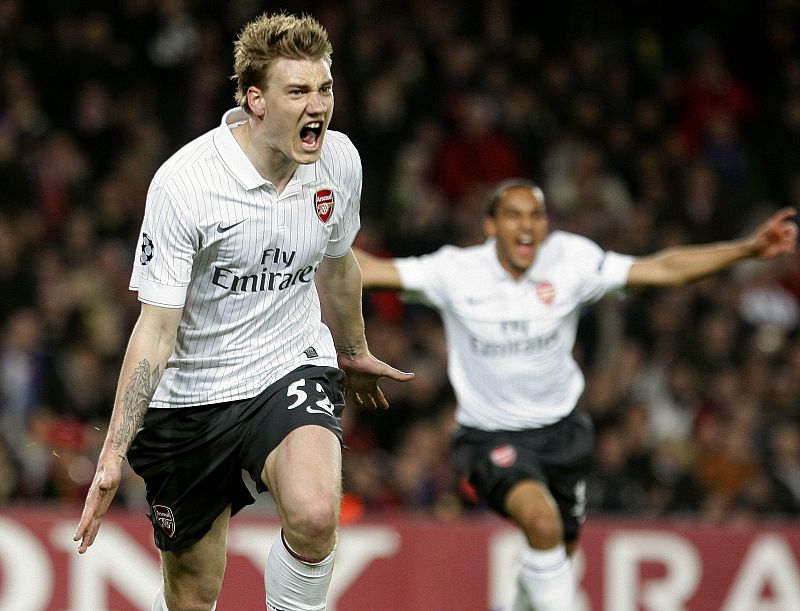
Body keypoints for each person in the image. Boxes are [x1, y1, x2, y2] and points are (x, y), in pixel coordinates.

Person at [73, 12, 413, 611]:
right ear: (255, 100)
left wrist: (353, 350)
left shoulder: (339, 162)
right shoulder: (186, 184)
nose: (318, 106)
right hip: (193, 395)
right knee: (193, 594)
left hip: (289, 362)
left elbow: (337, 266)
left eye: (325, 88)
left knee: (313, 513)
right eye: (298, 91)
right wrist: (113, 453)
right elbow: (155, 328)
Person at [354, 178, 797, 611]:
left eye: (536, 216)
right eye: (513, 215)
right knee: (542, 523)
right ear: (490, 226)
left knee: (556, 553)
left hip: (564, 434)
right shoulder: (455, 271)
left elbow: (660, 269)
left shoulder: (571, 261)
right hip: (490, 436)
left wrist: (747, 250)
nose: (526, 226)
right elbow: (369, 270)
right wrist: (305, 239)